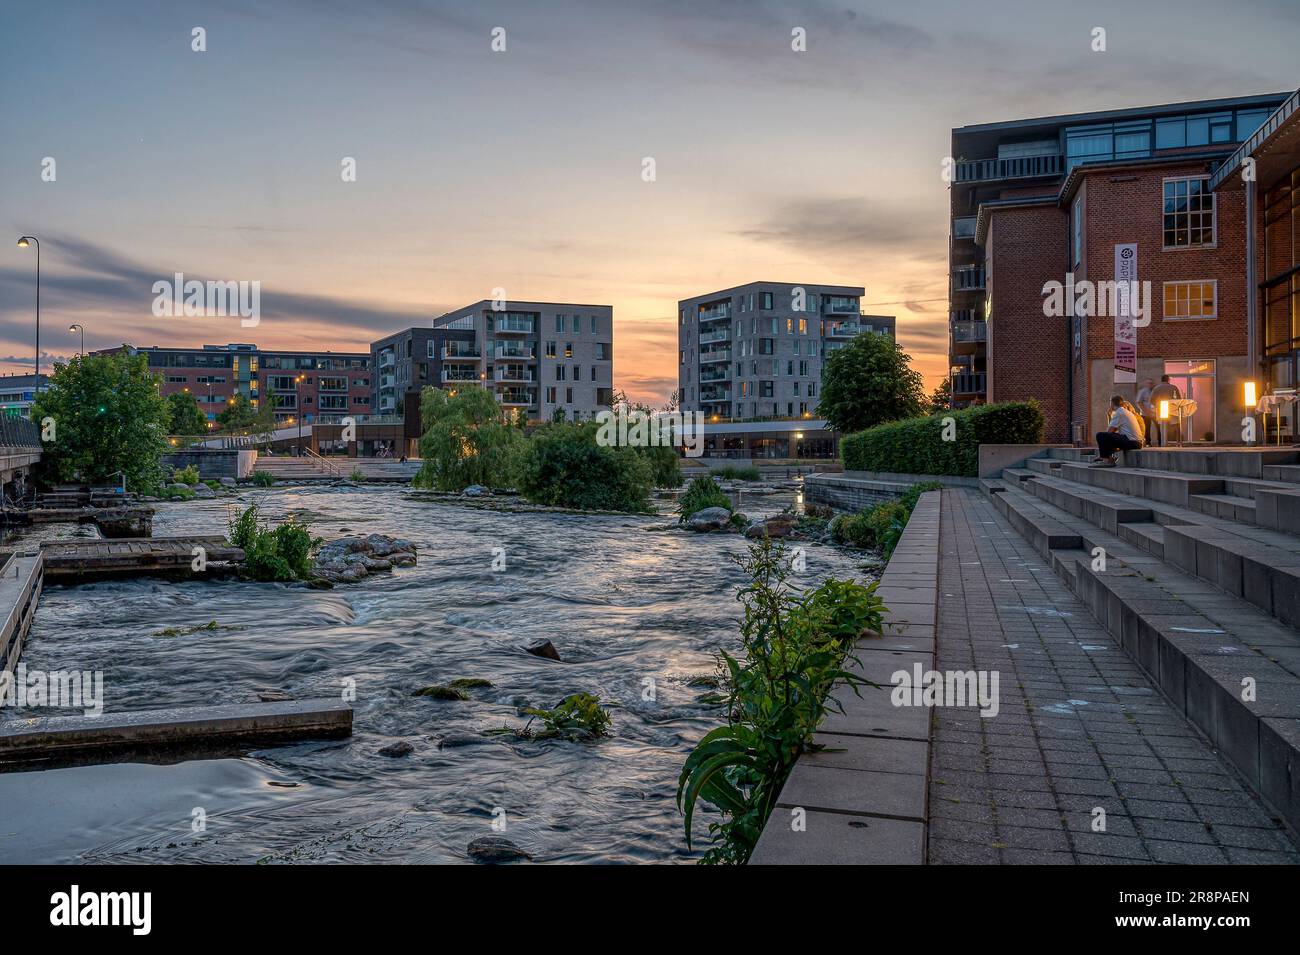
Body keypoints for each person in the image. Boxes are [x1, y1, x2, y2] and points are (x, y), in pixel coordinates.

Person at [1092, 394, 1146, 467]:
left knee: (1100, 435)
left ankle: (1106, 459)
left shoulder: (1119, 413)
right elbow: (1113, 432)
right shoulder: (1125, 412)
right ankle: (1108, 458)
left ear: (1112, 403)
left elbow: (1109, 432)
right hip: (1136, 442)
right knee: (1108, 437)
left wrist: (1109, 415)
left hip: (1133, 442)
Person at [1148, 374, 1182, 446]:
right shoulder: (1173, 387)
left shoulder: (1156, 388)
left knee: (1163, 425)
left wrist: (1156, 405)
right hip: (1172, 408)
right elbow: (1179, 399)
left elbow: (1151, 400)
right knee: (1176, 425)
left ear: (1161, 380)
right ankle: (1178, 442)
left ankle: (1163, 442)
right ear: (1168, 380)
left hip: (1161, 408)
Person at [1135, 378, 1158, 446]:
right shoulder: (1142, 391)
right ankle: (1148, 443)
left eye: (1151, 383)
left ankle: (1160, 442)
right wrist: (1146, 411)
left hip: (1154, 413)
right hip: (1145, 414)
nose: (1150, 385)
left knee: (1159, 427)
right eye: (1149, 383)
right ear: (1146, 384)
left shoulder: (1155, 391)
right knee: (1146, 428)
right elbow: (1139, 402)